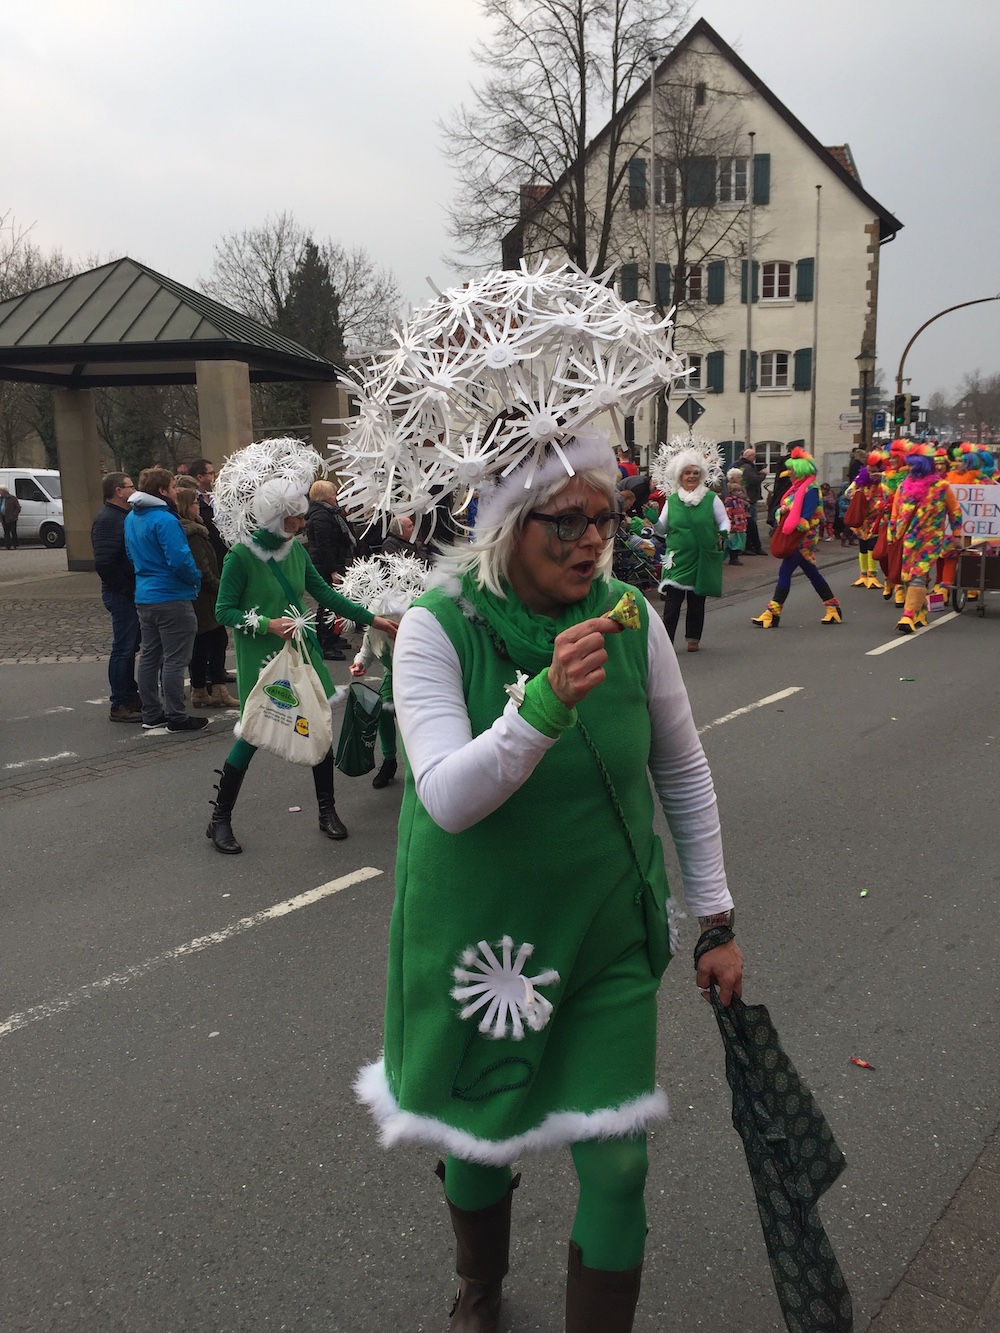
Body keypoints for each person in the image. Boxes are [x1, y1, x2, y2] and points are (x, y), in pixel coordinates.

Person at [355, 428, 742, 1333]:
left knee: (620, 1163)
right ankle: (479, 1284)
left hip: (605, 932)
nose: (592, 540)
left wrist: (716, 917)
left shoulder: (631, 618)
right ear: (507, 522)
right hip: (485, 943)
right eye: (566, 521)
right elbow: (447, 797)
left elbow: (681, 769)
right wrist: (543, 704)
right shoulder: (437, 626)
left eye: (605, 518)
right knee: (479, 1140)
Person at [206, 469, 398, 854]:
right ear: (277, 518)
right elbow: (223, 610)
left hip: (302, 652)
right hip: (262, 658)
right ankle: (219, 819)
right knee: (254, 732)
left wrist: (373, 620)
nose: (302, 523)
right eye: (294, 518)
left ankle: (327, 811)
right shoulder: (240, 557)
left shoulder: (295, 550)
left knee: (318, 726)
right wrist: (267, 623)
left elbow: (325, 594)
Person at [124, 468, 207, 733]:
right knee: (175, 659)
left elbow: (130, 554)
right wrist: (195, 578)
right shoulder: (165, 519)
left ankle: (151, 713)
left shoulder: (132, 517)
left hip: (145, 594)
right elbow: (179, 559)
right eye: (172, 487)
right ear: (162, 491)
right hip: (171, 595)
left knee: (149, 657)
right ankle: (177, 715)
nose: (175, 491)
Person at [751, 447, 842, 628]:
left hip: (803, 539)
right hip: (794, 535)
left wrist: (790, 520)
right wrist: (782, 512)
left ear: (800, 470)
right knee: (811, 572)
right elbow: (782, 511)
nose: (788, 473)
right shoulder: (795, 489)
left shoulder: (811, 490)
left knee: (785, 572)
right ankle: (833, 607)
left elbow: (805, 518)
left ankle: (773, 612)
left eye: (791, 469)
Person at [654, 449, 729, 652]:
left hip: (701, 557)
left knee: (697, 600)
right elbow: (662, 530)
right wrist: (654, 520)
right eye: (687, 473)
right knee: (672, 603)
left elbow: (723, 520)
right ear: (680, 476)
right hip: (678, 558)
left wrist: (724, 530)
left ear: (701, 475)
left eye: (695, 473)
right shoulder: (671, 501)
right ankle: (666, 642)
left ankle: (693, 638)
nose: (691, 477)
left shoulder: (711, 498)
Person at [175, 485, 239, 709]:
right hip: (203, 597)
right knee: (210, 641)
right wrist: (221, 588)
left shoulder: (195, 529)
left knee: (211, 641)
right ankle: (207, 689)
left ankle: (205, 689)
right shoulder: (191, 534)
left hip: (205, 595)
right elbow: (202, 569)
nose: (198, 506)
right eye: (195, 503)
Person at [890, 443, 962, 633]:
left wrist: (957, 534)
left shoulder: (941, 487)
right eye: (909, 465)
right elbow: (895, 513)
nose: (910, 468)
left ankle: (908, 615)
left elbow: (955, 511)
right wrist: (892, 534)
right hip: (907, 539)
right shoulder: (903, 487)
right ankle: (920, 612)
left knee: (918, 576)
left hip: (930, 540)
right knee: (907, 577)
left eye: (913, 465)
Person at [91, 472, 142, 721]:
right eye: (131, 486)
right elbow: (105, 562)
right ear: (118, 492)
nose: (135, 490)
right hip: (121, 595)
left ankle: (130, 695)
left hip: (128, 592)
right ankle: (119, 703)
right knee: (123, 648)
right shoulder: (108, 520)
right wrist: (127, 589)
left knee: (131, 647)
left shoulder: (123, 516)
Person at [305, 478, 359, 660]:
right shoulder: (321, 516)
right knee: (328, 603)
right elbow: (324, 546)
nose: (336, 497)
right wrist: (333, 570)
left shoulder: (330, 513)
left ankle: (333, 637)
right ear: (325, 496)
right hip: (327, 566)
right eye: (333, 494)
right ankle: (325, 642)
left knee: (335, 602)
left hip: (334, 562)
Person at [185, 457, 228, 567]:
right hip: (209, 556)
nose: (216, 475)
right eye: (211, 473)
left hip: (225, 551)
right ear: (200, 477)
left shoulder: (220, 496)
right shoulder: (191, 501)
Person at [738, 446, 766, 553]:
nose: (755, 458)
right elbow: (754, 480)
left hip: (749, 497)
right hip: (750, 498)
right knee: (751, 523)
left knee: (751, 524)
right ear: (749, 456)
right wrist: (762, 474)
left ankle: (751, 545)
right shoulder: (747, 467)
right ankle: (750, 546)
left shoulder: (743, 466)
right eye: (754, 456)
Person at [723, 468, 748, 565]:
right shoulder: (730, 501)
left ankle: (735, 557)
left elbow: (743, 510)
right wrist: (729, 522)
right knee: (733, 542)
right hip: (734, 525)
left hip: (740, 524)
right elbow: (728, 512)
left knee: (739, 541)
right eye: (738, 491)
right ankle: (733, 558)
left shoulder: (740, 500)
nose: (740, 493)